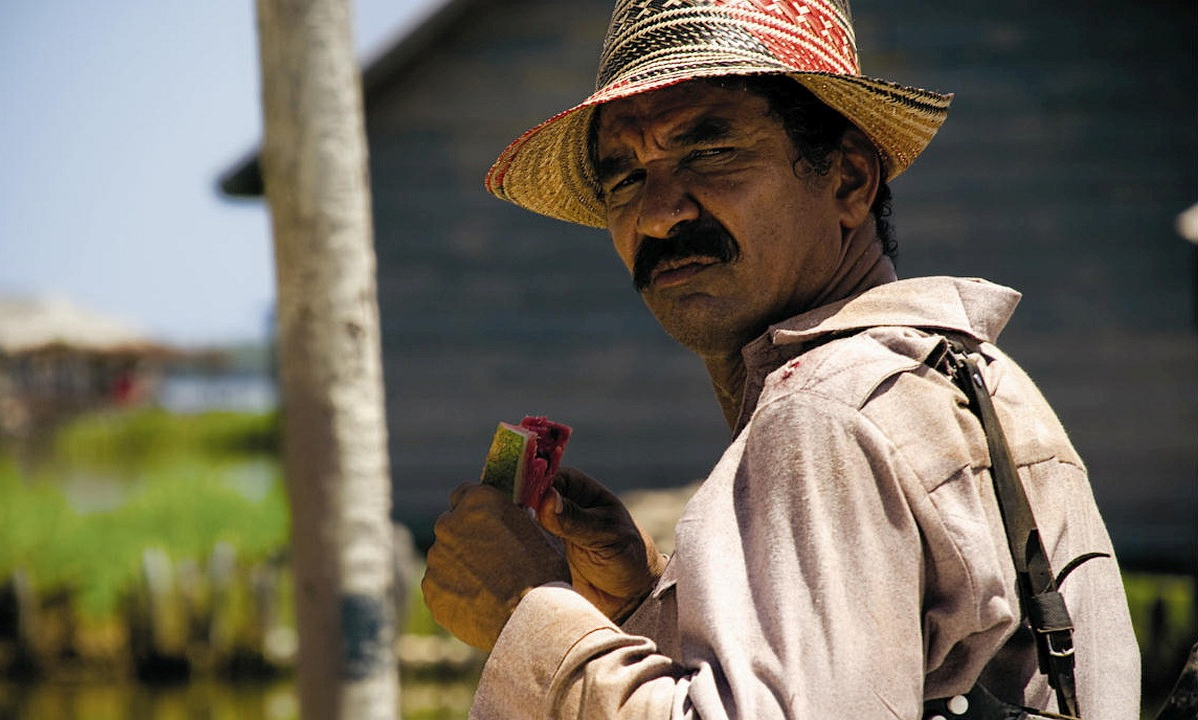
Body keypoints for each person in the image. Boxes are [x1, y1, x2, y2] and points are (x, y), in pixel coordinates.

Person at [421, 1, 1141, 717]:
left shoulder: (825, 411)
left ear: (849, 181)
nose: (659, 213)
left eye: (710, 153)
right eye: (626, 178)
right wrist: (641, 601)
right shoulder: (965, 372)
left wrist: (527, 612)